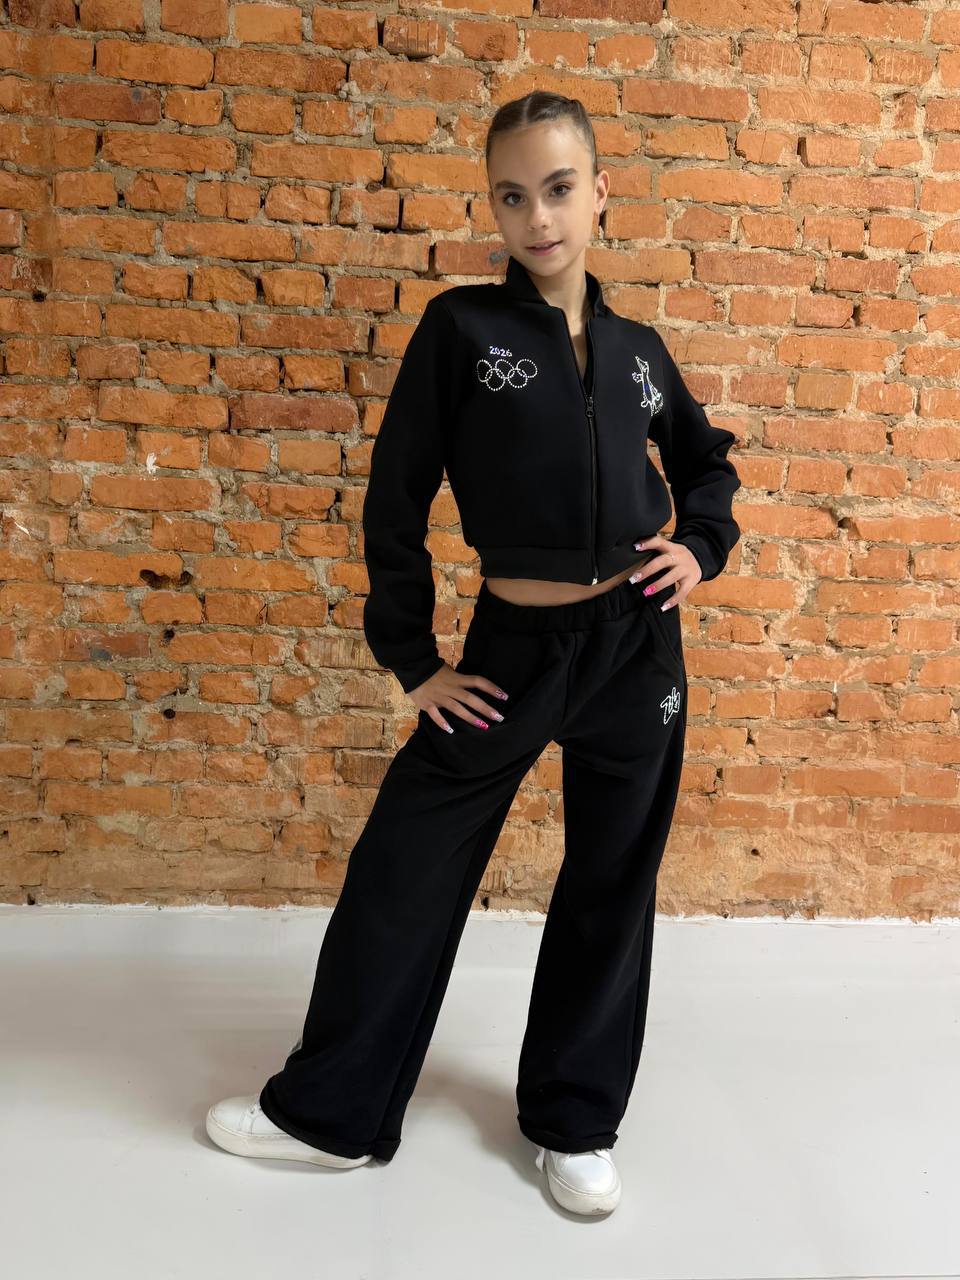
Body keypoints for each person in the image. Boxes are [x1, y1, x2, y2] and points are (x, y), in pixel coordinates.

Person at [206, 90, 741, 1217]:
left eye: (559, 188)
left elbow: (706, 464)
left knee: (613, 880)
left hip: (638, 646)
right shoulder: (462, 332)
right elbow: (394, 496)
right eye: (512, 195)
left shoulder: (639, 354)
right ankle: (330, 1115)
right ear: (493, 208)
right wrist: (413, 658)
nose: (537, 216)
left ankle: (576, 1122)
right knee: (404, 868)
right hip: (512, 649)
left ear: (599, 193)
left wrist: (699, 547)